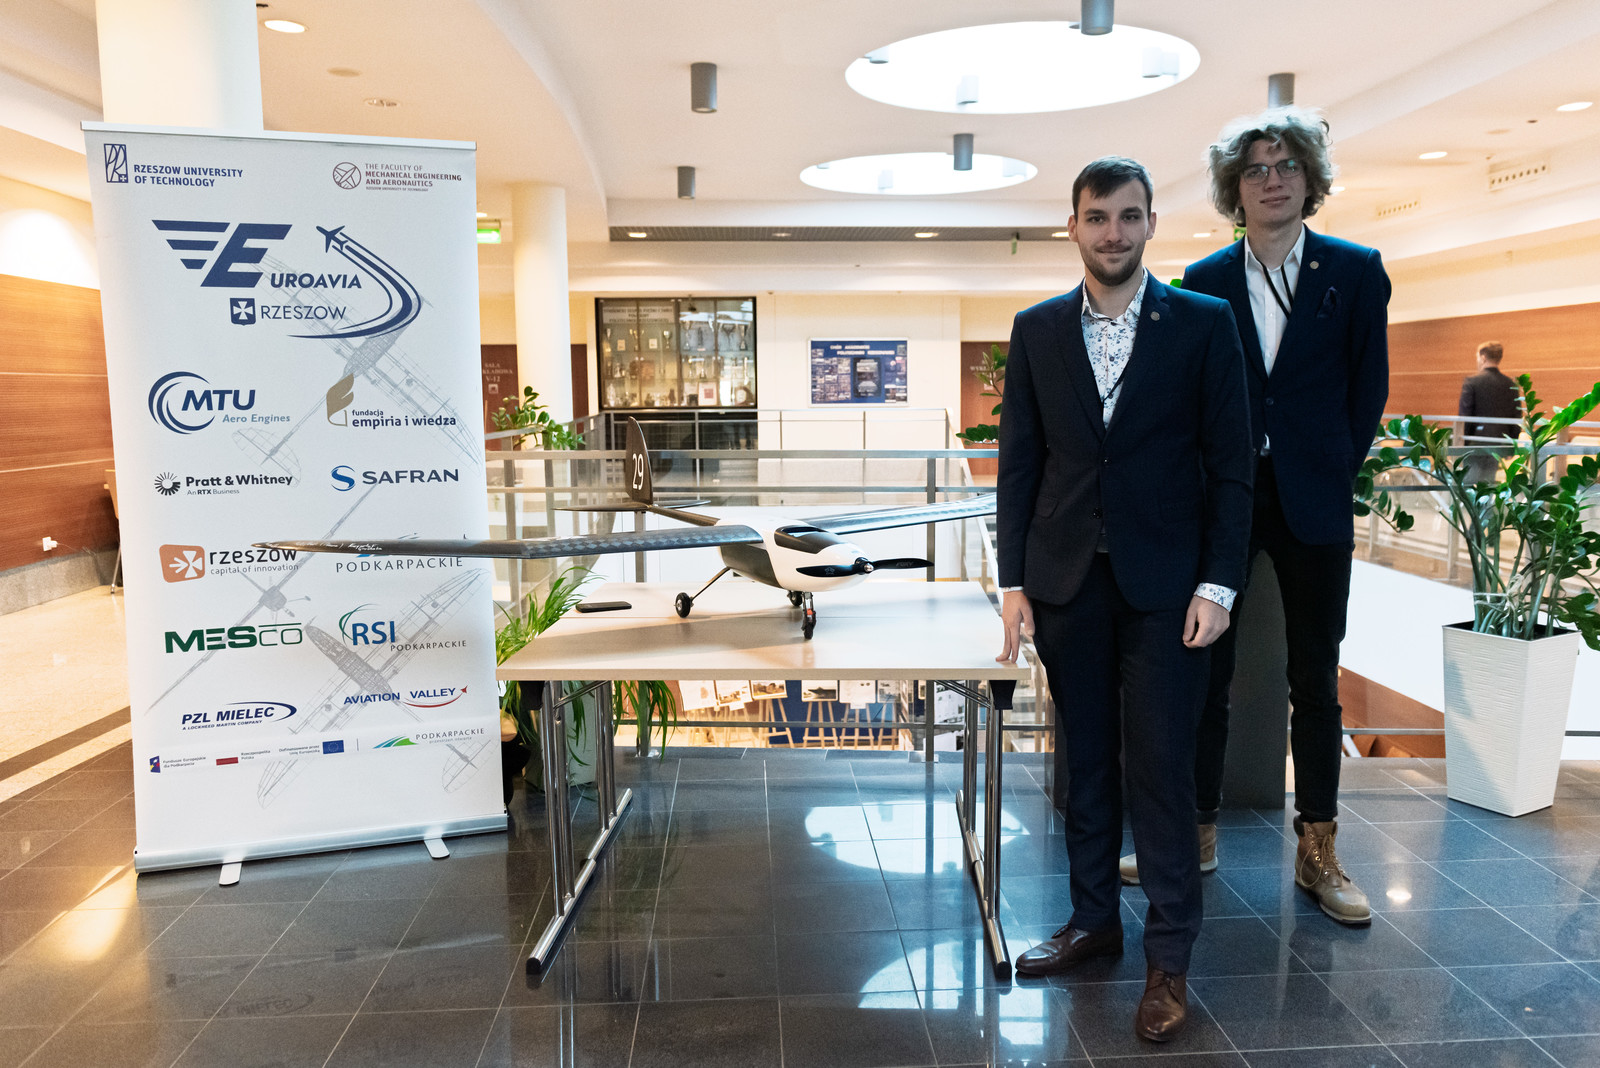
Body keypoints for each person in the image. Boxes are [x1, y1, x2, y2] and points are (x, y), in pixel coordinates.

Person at [995, 157, 1253, 1043]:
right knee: (1087, 764)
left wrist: (1218, 583)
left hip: (1169, 589)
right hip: (1067, 581)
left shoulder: (1204, 324)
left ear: (1150, 224)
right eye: (1098, 216)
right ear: (1073, 225)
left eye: (1129, 216)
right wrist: (1013, 581)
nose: (1114, 232)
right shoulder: (1036, 330)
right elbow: (1020, 464)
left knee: (1162, 772)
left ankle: (1168, 960)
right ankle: (1093, 920)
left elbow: (1230, 466)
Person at [1120, 107, 1390, 926]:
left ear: (1311, 179)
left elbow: (1367, 390)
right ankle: (1195, 833)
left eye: (1287, 166)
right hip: (1224, 500)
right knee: (1206, 671)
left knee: (1316, 678)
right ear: (1234, 190)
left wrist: (1331, 466)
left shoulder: (1356, 270)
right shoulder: (1202, 280)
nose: (1273, 181)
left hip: (1314, 499)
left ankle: (1319, 850)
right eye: (1255, 170)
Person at [1458, 341, 1520, 484]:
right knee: (1488, 484)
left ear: (1483, 357)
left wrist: (1461, 444)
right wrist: (1511, 446)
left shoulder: (1472, 382)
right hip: (1498, 443)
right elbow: (1516, 417)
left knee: (1467, 484)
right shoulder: (1510, 384)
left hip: (1475, 442)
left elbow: (1465, 416)